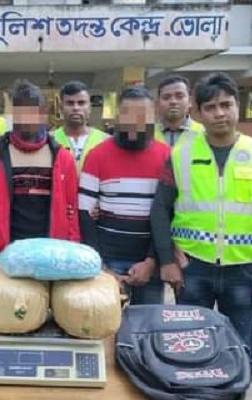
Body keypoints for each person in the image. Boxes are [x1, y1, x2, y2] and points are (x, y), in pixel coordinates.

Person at [151, 72, 252, 375]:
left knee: (240, 347)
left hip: (244, 272)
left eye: (226, 105)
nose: (219, 113)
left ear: (237, 107)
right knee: (190, 346)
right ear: (198, 113)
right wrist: (167, 261)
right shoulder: (180, 155)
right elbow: (160, 209)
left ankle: (236, 392)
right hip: (192, 269)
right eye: (211, 107)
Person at [0, 79, 80, 279]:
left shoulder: (62, 158)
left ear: (43, 114)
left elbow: (71, 209)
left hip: (50, 259)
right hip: (5, 258)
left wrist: (72, 251)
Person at [79, 86, 169, 305]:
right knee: (106, 323)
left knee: (148, 323)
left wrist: (151, 261)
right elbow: (84, 213)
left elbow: (170, 213)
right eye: (129, 115)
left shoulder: (166, 156)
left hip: (150, 262)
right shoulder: (97, 155)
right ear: (118, 117)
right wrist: (101, 266)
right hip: (108, 259)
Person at [52, 81, 107, 172]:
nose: (76, 108)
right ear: (61, 108)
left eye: (81, 103)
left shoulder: (105, 141)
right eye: (70, 103)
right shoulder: (50, 140)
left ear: (89, 108)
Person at [155, 75, 205, 147]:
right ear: (158, 103)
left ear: (190, 101)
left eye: (179, 96)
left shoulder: (203, 133)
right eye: (166, 97)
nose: (173, 101)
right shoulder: (147, 135)